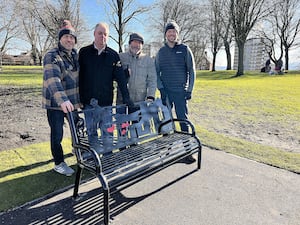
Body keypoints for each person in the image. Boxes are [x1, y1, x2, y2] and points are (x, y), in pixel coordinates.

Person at [78, 22, 132, 151]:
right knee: (92, 133)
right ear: (94, 34)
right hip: (88, 104)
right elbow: (79, 77)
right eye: (100, 33)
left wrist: (126, 97)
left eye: (105, 34)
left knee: (108, 132)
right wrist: (79, 99)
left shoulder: (113, 55)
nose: (102, 36)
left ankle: (108, 160)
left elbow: (120, 79)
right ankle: (95, 160)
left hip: (106, 104)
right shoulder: (84, 52)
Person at [42, 20, 81, 176]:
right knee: (57, 133)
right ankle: (58, 163)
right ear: (60, 39)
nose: (69, 40)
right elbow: (53, 80)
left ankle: (78, 151)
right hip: (56, 103)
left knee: (78, 129)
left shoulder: (75, 55)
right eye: (66, 37)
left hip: (73, 102)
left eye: (72, 38)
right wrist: (62, 100)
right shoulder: (52, 56)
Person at [155, 20, 196, 163]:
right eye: (169, 31)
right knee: (166, 122)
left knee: (183, 121)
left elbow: (192, 71)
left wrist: (189, 89)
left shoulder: (185, 49)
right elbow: (156, 72)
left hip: (180, 92)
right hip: (167, 93)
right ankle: (167, 151)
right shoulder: (161, 52)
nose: (172, 34)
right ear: (166, 34)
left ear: (177, 34)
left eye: (174, 31)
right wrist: (161, 89)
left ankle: (187, 151)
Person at [117, 32, 157, 104]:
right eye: (134, 42)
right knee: (120, 116)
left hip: (140, 101)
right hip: (122, 101)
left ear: (142, 45)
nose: (136, 45)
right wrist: (123, 74)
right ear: (129, 43)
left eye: (139, 43)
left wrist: (150, 96)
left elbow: (152, 80)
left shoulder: (148, 60)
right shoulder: (121, 57)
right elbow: (114, 76)